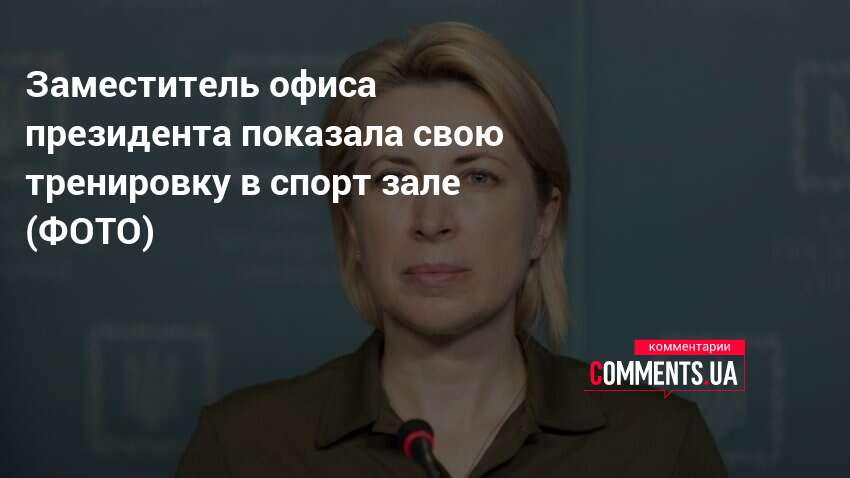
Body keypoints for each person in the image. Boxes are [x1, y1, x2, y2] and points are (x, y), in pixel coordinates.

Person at [176, 22, 727, 478]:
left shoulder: (659, 446)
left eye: (477, 178)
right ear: (352, 225)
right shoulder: (243, 450)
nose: (432, 221)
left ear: (543, 219)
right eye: (393, 180)